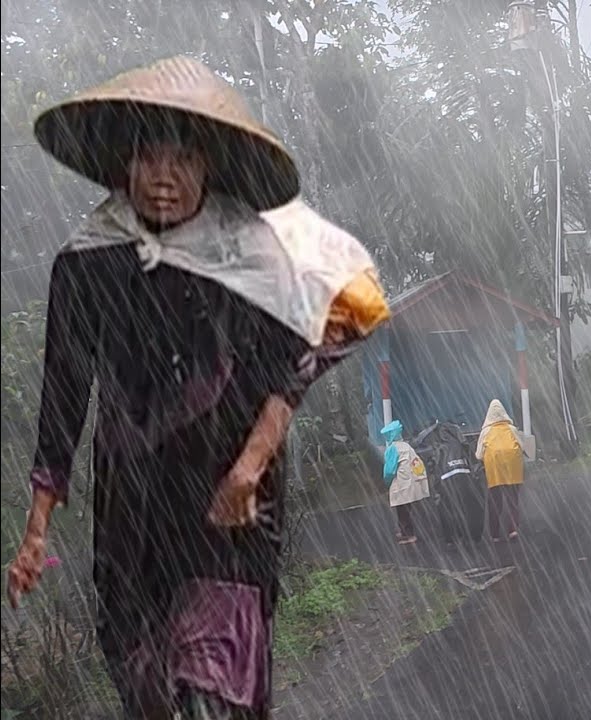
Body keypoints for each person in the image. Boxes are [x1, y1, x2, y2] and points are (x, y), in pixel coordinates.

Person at [4, 56, 390, 719]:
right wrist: (36, 529)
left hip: (227, 508)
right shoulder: (89, 260)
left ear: (208, 167)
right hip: (133, 514)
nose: (164, 176)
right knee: (148, 688)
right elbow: (64, 392)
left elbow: (295, 362)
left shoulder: (254, 253)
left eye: (182, 159)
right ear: (124, 165)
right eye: (149, 157)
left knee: (215, 686)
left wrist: (251, 464)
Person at [477, 400, 525, 542]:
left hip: (494, 469)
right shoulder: (511, 429)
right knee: (512, 499)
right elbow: (522, 447)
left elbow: (479, 455)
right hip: (512, 468)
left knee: (495, 501)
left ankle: (495, 534)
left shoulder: (486, 431)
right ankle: (513, 530)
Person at [382, 420, 430, 545]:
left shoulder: (392, 448)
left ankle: (408, 535)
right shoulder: (405, 446)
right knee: (406, 508)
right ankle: (405, 531)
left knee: (401, 509)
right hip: (412, 481)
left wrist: (386, 482)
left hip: (402, 482)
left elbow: (389, 470)